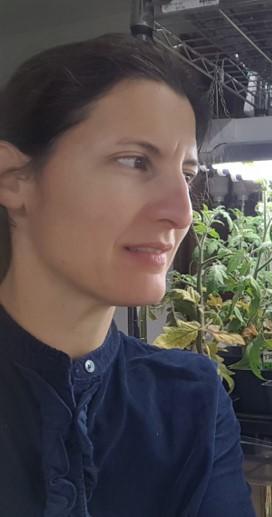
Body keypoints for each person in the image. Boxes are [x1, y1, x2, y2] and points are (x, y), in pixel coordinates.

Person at [0, 33, 255, 516]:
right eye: (136, 162)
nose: (181, 213)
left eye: (186, 174)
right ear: (15, 180)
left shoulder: (191, 400)